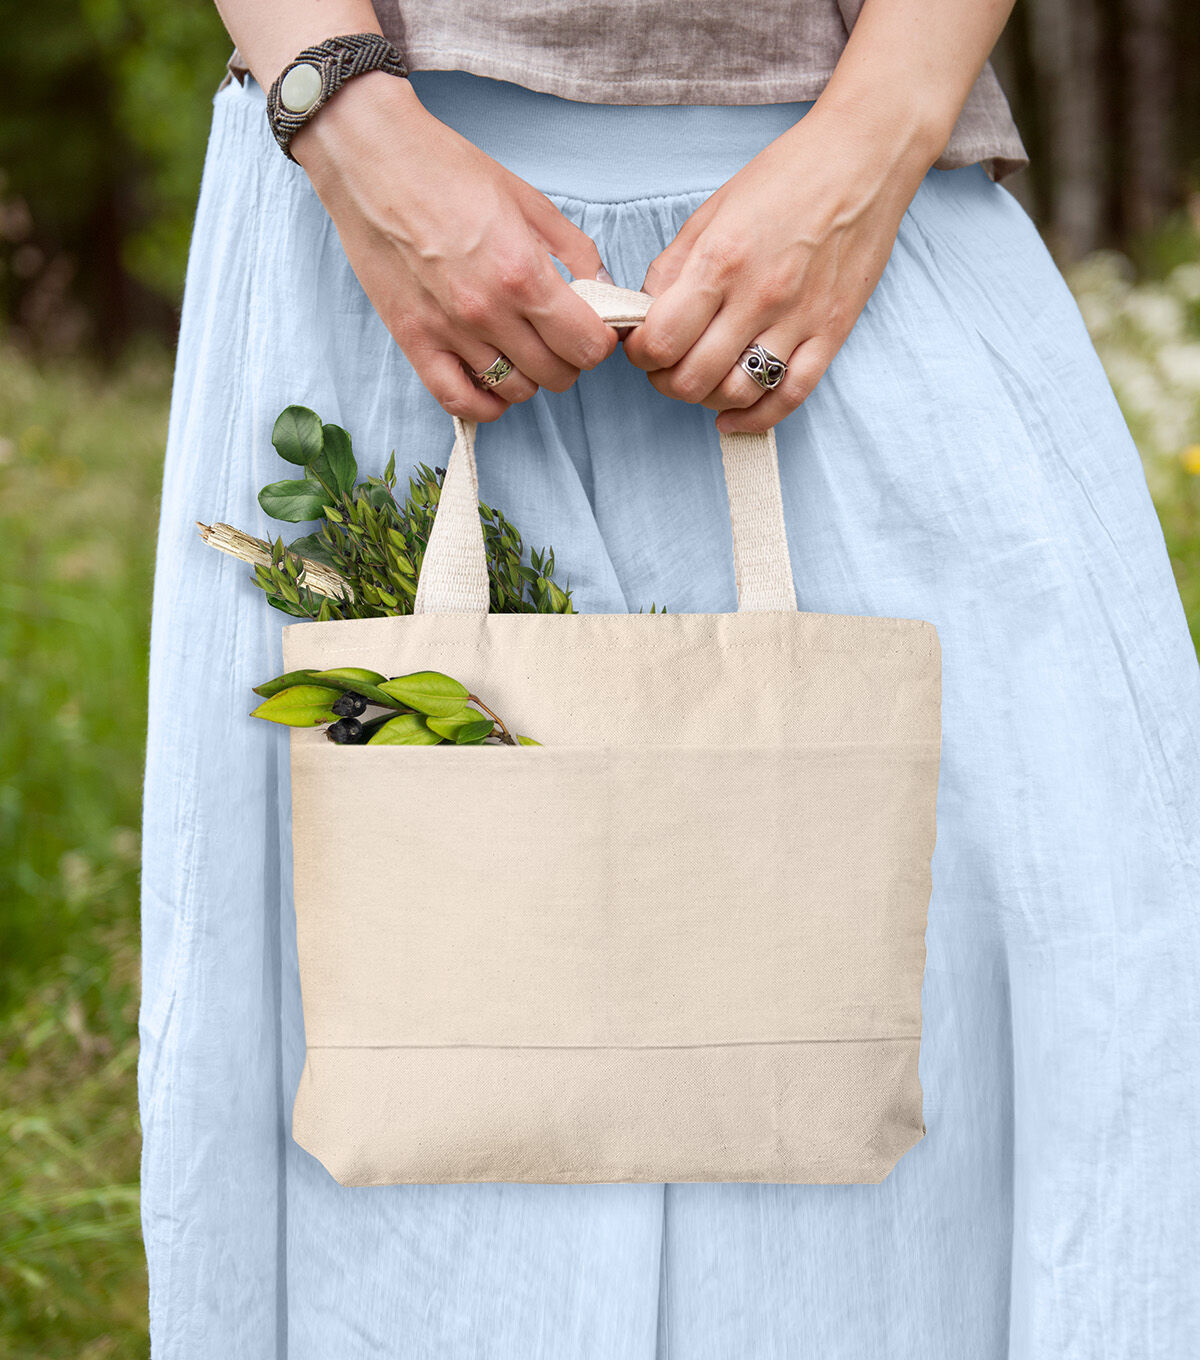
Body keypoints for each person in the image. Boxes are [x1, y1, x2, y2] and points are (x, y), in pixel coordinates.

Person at [138, 1, 1200, 1355]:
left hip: (853, 222)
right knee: (411, 1154)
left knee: (1025, 997)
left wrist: (870, 144)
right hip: (382, 226)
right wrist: (351, 123)